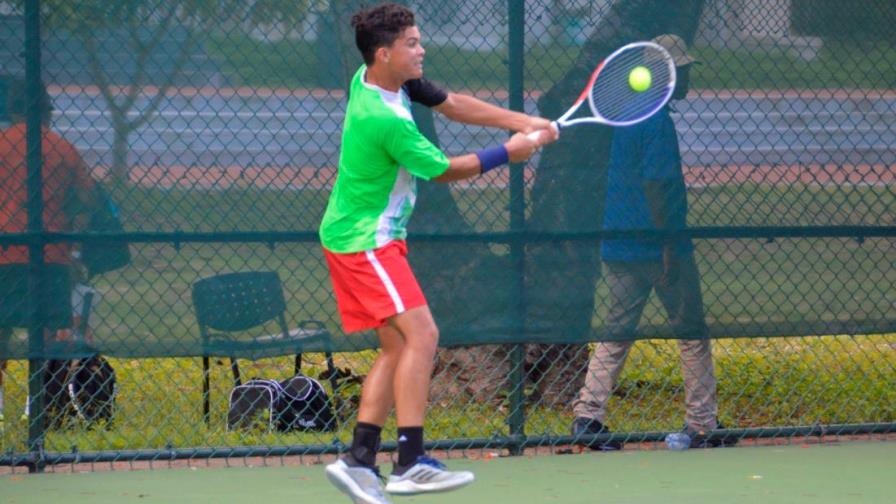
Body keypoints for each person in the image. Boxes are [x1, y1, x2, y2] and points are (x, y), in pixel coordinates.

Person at [319, 4, 557, 503]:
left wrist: (525, 120)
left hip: (362, 237)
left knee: (397, 348)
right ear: (385, 54)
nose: (421, 48)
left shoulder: (379, 78)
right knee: (423, 334)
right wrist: (509, 153)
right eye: (411, 43)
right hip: (366, 241)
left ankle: (360, 461)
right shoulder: (383, 118)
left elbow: (452, 104)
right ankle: (409, 462)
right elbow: (445, 170)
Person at [571, 34, 733, 450]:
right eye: (683, 69)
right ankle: (702, 423)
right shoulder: (658, 121)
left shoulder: (629, 115)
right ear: (666, 74)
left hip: (620, 245)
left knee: (616, 333)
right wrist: (667, 245)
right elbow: (657, 183)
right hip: (658, 246)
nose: (688, 75)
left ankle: (587, 417)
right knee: (692, 332)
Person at [0, 76, 98, 427]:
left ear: (12, 109)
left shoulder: (1, 143)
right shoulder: (62, 148)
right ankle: (37, 406)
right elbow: (88, 198)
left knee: (1, 330)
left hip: (5, 252)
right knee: (44, 332)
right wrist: (71, 230)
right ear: (47, 110)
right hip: (50, 255)